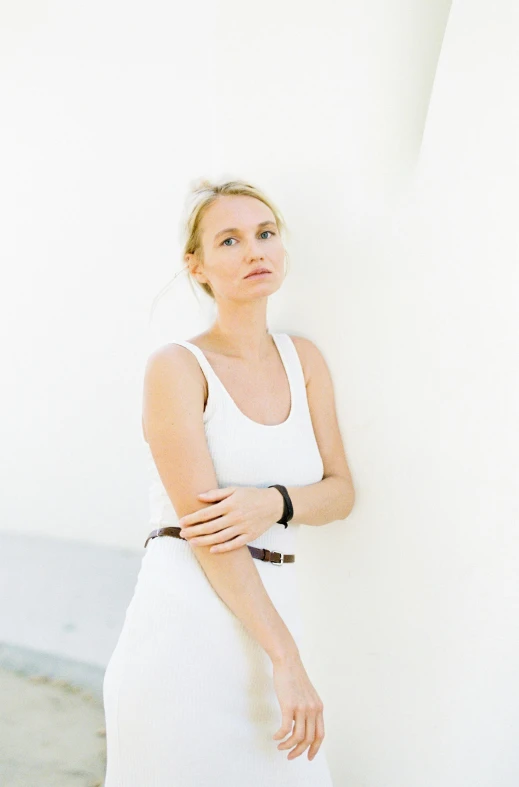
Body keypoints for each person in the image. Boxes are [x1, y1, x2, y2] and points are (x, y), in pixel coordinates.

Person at [102, 178, 355, 786]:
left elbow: (341, 492)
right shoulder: (176, 367)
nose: (254, 251)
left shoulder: (304, 360)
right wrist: (286, 657)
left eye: (265, 234)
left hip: (272, 628)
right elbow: (209, 533)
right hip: (185, 630)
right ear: (199, 266)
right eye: (230, 240)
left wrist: (274, 501)